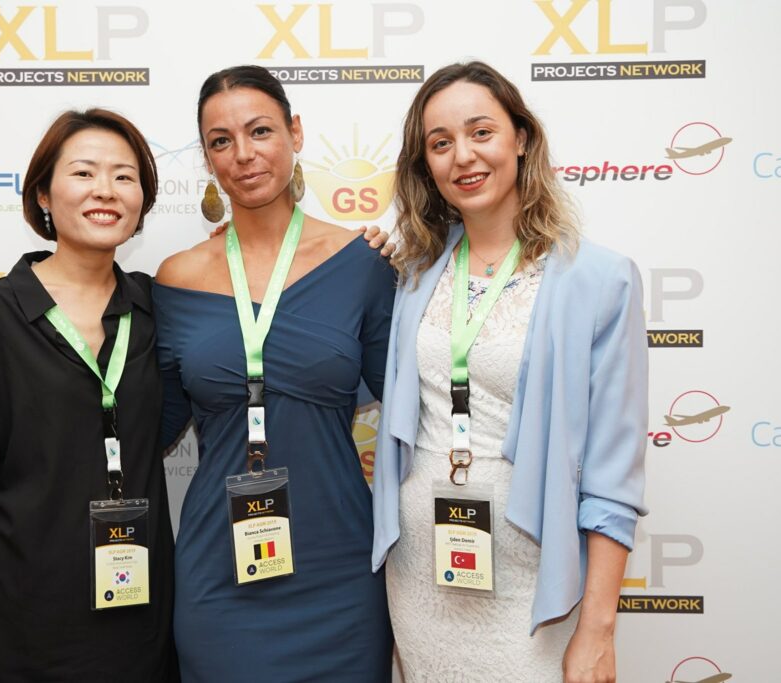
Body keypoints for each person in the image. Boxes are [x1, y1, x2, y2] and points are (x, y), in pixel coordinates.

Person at [372, 61, 648, 683]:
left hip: (534, 588)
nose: (463, 156)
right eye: (440, 143)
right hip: (421, 573)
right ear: (425, 165)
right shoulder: (412, 274)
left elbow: (613, 476)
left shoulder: (600, 280)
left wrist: (599, 629)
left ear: (521, 138)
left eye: (481, 132)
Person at [0, 109, 178, 681]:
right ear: (43, 195)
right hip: (20, 621)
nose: (105, 190)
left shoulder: (159, 309)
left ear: (142, 200)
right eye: (84, 172)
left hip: (137, 619)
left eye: (124, 176)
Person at [153, 65, 395, 682]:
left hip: (340, 571)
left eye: (260, 131)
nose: (243, 154)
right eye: (221, 140)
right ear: (207, 158)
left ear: (296, 133)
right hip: (219, 572)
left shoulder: (361, 263)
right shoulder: (176, 279)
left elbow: (413, 406)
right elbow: (147, 426)